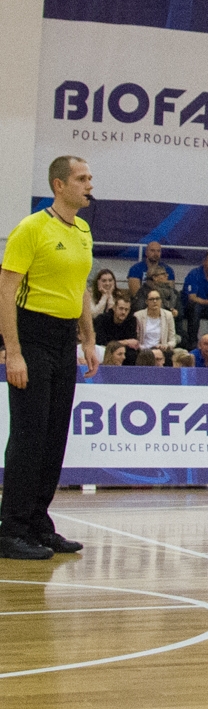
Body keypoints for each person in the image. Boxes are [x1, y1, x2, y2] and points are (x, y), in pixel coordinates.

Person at [0, 155, 98, 559]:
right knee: (30, 434)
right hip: (31, 335)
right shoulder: (31, 228)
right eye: (82, 178)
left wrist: (88, 340)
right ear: (59, 185)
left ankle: (38, 522)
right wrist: (14, 351)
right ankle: (11, 528)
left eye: (89, 178)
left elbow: (80, 290)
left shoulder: (84, 230)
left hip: (63, 339)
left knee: (55, 433)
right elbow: (6, 291)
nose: (89, 184)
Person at [135, 288, 182, 360]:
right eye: (151, 299)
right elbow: (136, 339)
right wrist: (143, 348)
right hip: (144, 350)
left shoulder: (168, 315)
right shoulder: (138, 316)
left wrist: (166, 345)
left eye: (157, 299)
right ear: (146, 302)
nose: (155, 301)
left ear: (161, 301)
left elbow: (172, 339)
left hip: (162, 349)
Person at [93, 291, 140, 363]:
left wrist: (124, 344)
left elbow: (133, 342)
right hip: (103, 350)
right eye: (121, 308)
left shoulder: (131, 321)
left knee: (132, 354)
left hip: (123, 351)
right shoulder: (102, 319)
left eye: (126, 309)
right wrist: (125, 342)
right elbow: (100, 342)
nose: (123, 312)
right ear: (114, 308)